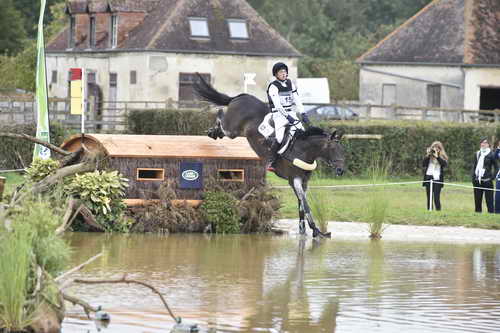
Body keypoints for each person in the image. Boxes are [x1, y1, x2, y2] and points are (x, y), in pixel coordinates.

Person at [265, 62, 309, 171]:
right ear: (276, 74)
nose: (284, 74)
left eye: (285, 71)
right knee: (280, 138)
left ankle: (303, 158)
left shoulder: (290, 83)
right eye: (281, 72)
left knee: (302, 133)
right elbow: (278, 105)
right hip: (279, 115)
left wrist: (303, 113)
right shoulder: (273, 87)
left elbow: (297, 99)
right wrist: (286, 116)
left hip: (291, 113)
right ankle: (271, 161)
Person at [422, 141, 448, 211]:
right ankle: (429, 210)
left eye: (437, 148)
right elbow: (423, 164)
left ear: (440, 149)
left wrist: (437, 157)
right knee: (429, 196)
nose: (435, 149)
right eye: (434, 147)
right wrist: (427, 155)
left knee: (436, 197)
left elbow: (445, 165)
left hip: (437, 178)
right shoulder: (429, 156)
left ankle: (438, 211)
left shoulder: (442, 156)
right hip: (428, 176)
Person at [472, 138, 496, 213]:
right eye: (482, 143)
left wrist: (492, 177)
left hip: (487, 181)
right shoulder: (477, 153)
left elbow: (497, 167)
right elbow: (474, 166)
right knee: (477, 201)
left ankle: (490, 215)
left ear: (488, 144)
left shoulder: (492, 154)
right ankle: (478, 215)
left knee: (489, 201)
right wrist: (473, 178)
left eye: (485, 143)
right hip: (477, 181)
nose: (483, 144)